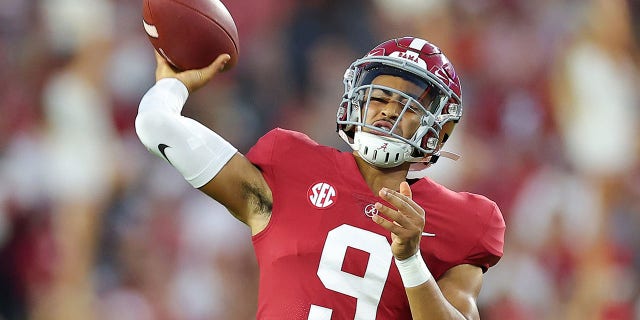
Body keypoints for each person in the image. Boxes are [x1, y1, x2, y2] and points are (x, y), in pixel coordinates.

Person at [135, 37, 505, 319]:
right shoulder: (291, 167)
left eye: (408, 103)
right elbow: (156, 126)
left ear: (438, 131)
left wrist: (410, 259)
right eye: (380, 97)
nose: (389, 111)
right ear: (357, 100)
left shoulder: (464, 221)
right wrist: (173, 84)